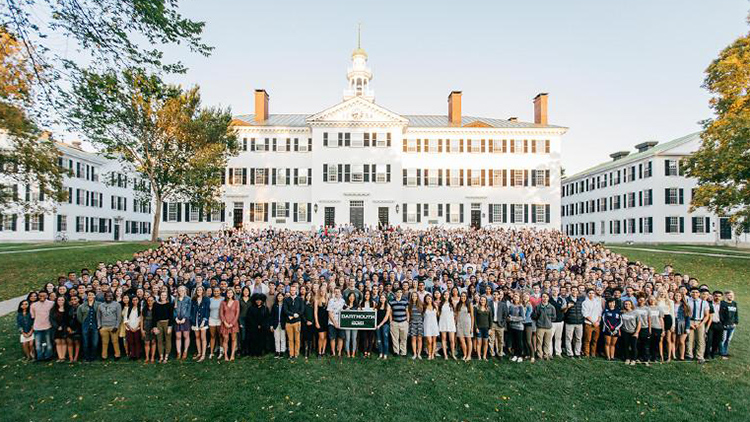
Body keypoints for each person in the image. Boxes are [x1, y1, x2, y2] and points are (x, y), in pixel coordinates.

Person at [685, 287, 709, 363]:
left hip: (700, 321)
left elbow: (706, 315)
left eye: (696, 292)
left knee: (700, 339)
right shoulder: (687, 301)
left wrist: (701, 323)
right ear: (690, 293)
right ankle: (689, 355)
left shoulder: (704, 302)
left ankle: (699, 356)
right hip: (690, 321)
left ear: (699, 294)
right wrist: (689, 323)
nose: (695, 294)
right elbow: (685, 313)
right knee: (689, 339)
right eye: (693, 292)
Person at [97, 291, 122, 361]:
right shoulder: (100, 305)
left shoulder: (117, 305)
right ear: (104, 297)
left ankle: (117, 355)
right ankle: (104, 356)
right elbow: (98, 317)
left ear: (113, 297)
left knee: (115, 341)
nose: (108, 297)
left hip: (113, 326)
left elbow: (119, 317)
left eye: (110, 296)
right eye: (107, 296)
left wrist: (116, 326)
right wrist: (99, 326)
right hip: (104, 327)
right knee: (104, 342)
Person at [30, 290, 54, 361]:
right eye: (40, 296)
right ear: (38, 296)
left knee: (48, 343)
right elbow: (33, 317)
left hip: (48, 326)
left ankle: (48, 356)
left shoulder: (52, 303)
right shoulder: (33, 305)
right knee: (38, 344)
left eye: (44, 295)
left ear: (47, 296)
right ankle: (40, 357)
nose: (42, 297)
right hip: (37, 327)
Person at [283, 284, 305, 360]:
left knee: (297, 339)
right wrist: (292, 314)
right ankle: (291, 354)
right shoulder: (286, 299)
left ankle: (296, 354)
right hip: (288, 322)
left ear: (296, 291)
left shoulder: (300, 299)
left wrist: (296, 314)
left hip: (297, 322)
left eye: (294, 290)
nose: (292, 291)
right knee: (290, 339)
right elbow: (285, 310)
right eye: (291, 290)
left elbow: (302, 310)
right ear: (289, 291)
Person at [76, 290, 99, 362]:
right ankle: (86, 357)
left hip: (95, 325)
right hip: (85, 325)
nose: (90, 296)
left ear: (94, 296)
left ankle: (93, 356)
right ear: (87, 296)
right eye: (89, 295)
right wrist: (83, 322)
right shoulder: (82, 306)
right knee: (85, 342)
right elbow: (79, 317)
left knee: (94, 342)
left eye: (92, 295)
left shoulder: (99, 304)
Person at [531, 293, 555, 361]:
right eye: (543, 297)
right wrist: (537, 316)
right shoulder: (538, 306)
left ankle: (546, 354)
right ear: (541, 298)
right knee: (539, 342)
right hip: (540, 327)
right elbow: (534, 316)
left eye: (546, 297)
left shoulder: (551, 307)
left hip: (548, 327)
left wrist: (548, 321)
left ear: (548, 298)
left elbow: (554, 317)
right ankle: (539, 355)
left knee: (547, 342)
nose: (545, 298)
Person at [190, 285, 210, 361]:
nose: (199, 291)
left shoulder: (206, 299)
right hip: (195, 320)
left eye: (200, 290)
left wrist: (204, 321)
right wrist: (192, 319)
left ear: (203, 291)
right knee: (197, 337)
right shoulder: (194, 299)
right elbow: (191, 310)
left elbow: (207, 311)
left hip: (203, 320)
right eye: (198, 290)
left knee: (203, 338)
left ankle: (203, 354)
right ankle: (199, 353)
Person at [152, 290, 173, 363]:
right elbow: (154, 316)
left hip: (167, 323)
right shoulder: (155, 304)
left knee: (168, 340)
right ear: (159, 296)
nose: (163, 297)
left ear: (166, 296)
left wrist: (170, 326)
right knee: (159, 340)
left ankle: (166, 356)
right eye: (162, 295)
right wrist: (154, 327)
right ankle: (161, 356)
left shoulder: (169, 304)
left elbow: (171, 316)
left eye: (165, 295)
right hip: (158, 323)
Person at [581, 289, 602, 358]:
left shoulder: (597, 302)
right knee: (587, 339)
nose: (591, 294)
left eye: (593, 293)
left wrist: (598, 322)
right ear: (587, 294)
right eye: (590, 293)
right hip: (588, 323)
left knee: (595, 340)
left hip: (597, 324)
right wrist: (593, 322)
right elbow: (585, 314)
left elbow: (600, 313)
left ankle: (593, 353)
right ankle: (586, 353)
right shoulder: (585, 302)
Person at [219, 288, 239, 361]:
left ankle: (232, 355)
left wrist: (232, 324)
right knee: (225, 339)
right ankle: (226, 355)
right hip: (225, 323)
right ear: (226, 294)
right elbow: (221, 314)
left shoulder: (236, 302)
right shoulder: (223, 302)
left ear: (233, 294)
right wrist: (225, 323)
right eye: (228, 293)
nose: (229, 294)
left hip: (233, 324)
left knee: (233, 339)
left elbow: (237, 314)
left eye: (231, 293)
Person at [563, 288, 584, 358]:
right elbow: (563, 311)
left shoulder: (581, 299)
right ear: (570, 291)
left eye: (576, 290)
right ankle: (569, 353)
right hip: (570, 322)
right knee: (569, 338)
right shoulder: (566, 299)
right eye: (573, 290)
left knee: (578, 338)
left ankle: (577, 353)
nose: (574, 292)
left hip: (579, 322)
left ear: (578, 292)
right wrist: (567, 307)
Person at [173, 285, 192, 360]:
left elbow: (189, 309)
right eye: (179, 290)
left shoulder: (188, 299)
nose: (181, 291)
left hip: (185, 319)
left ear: (185, 291)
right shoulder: (175, 299)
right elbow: (174, 310)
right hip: (177, 319)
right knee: (178, 336)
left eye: (182, 290)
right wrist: (176, 318)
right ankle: (178, 352)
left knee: (185, 336)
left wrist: (185, 318)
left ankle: (185, 351)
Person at [389, 289, 409, 357]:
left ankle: (403, 352)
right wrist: (391, 321)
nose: (399, 293)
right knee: (395, 338)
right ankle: (396, 352)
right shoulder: (391, 301)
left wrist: (407, 321)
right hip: (394, 322)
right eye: (398, 292)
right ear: (395, 293)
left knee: (403, 338)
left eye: (400, 292)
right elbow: (390, 312)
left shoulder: (405, 301)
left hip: (403, 322)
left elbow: (407, 311)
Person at [327, 287, 346, 359]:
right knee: (332, 338)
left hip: (341, 323)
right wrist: (334, 323)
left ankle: (339, 353)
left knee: (341, 338)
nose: (337, 293)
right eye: (336, 292)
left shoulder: (343, 301)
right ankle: (333, 353)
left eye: (338, 291)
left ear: (340, 292)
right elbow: (330, 312)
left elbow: (345, 311)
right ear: (334, 293)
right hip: (332, 322)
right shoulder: (331, 301)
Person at [620, 300, 640, 365]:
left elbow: (639, 323)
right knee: (625, 346)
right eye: (625, 304)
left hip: (633, 331)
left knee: (634, 346)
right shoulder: (622, 312)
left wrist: (637, 332)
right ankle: (627, 358)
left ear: (631, 305)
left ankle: (633, 359)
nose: (627, 305)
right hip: (625, 331)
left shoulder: (635, 312)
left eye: (628, 304)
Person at [719, 290, 738, 359]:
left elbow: (736, 314)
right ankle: (722, 352)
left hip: (732, 325)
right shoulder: (722, 303)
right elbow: (720, 314)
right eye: (729, 295)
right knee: (723, 339)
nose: (731, 297)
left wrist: (736, 322)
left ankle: (725, 351)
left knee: (728, 339)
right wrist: (723, 323)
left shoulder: (734, 303)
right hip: (724, 324)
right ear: (725, 296)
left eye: (732, 295)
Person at [455, 291, 474, 361]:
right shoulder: (458, 305)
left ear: (466, 297)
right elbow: (456, 315)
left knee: (468, 340)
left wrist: (472, 327)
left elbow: (472, 316)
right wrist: (456, 324)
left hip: (467, 324)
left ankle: (469, 356)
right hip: (459, 324)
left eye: (464, 296)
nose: (463, 297)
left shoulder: (470, 305)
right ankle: (465, 354)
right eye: (462, 296)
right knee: (462, 340)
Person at [439, 290, 457, 360]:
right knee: (444, 339)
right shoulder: (441, 304)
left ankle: (452, 354)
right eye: (445, 294)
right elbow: (439, 314)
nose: (446, 296)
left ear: (449, 295)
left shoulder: (452, 304)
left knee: (452, 340)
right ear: (443, 296)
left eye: (447, 294)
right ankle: (445, 355)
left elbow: (455, 314)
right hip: (443, 322)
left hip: (451, 323)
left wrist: (455, 321)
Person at [490, 290, 508, 359]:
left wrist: (503, 323)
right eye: (494, 294)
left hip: (500, 324)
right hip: (492, 324)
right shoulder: (489, 303)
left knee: (501, 340)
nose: (495, 296)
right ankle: (492, 354)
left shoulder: (503, 304)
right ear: (492, 295)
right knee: (491, 340)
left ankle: (500, 354)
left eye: (497, 295)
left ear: (499, 296)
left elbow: (505, 315)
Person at [672, 291, 690, 361]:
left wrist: (687, 327)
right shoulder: (671, 304)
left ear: (682, 297)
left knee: (681, 341)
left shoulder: (685, 306)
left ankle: (682, 356)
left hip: (682, 323)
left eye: (679, 296)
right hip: (674, 322)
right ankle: (674, 354)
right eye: (676, 296)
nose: (678, 297)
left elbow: (687, 317)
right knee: (675, 340)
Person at [508, 292, 526, 362]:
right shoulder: (511, 306)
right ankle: (515, 355)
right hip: (512, 326)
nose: (515, 298)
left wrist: (512, 318)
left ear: (519, 299)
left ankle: (520, 356)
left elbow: (522, 318)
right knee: (514, 341)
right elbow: (508, 314)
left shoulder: (520, 306)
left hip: (519, 327)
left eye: (517, 297)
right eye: (514, 297)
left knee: (519, 342)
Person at [50, 296, 68, 362]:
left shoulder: (67, 309)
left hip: (64, 328)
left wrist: (62, 326)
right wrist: (57, 326)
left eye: (62, 300)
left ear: (65, 301)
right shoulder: (53, 309)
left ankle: (63, 357)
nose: (60, 301)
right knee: (58, 342)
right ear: (56, 301)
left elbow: (67, 319)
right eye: (59, 300)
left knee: (63, 342)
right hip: (56, 328)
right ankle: (60, 357)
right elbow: (51, 319)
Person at [647, 296, 665, 362]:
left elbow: (661, 319)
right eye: (650, 299)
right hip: (649, 327)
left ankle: (655, 357)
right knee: (649, 343)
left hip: (657, 327)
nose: (652, 301)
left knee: (656, 343)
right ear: (648, 300)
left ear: (655, 300)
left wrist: (663, 330)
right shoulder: (647, 308)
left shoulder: (659, 308)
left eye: (653, 299)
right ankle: (648, 357)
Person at [473, 295, 492, 361]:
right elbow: (474, 319)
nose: (482, 301)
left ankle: (484, 356)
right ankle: (479, 356)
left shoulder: (488, 308)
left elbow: (490, 319)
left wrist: (490, 328)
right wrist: (476, 328)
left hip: (486, 328)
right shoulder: (476, 308)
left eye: (484, 300)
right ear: (479, 300)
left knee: (485, 343)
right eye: (481, 300)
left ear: (486, 301)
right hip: (479, 328)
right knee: (479, 343)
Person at [124, 296, 142, 360]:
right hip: (129, 328)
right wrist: (130, 327)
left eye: (136, 300)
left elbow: (141, 320)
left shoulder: (140, 309)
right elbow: (125, 320)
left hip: (137, 328)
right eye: (133, 300)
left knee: (137, 341)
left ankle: (138, 355)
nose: (135, 301)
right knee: (131, 342)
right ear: (131, 301)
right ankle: (132, 355)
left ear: (138, 301)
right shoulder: (128, 309)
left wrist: (137, 327)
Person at [407, 291, 424, 360]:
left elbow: (423, 314)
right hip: (412, 323)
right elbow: (409, 314)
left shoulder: (421, 305)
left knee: (419, 339)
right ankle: (414, 353)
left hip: (420, 323)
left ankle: (419, 353)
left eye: (415, 296)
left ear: (417, 297)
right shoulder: (409, 305)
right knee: (413, 338)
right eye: (413, 296)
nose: (414, 297)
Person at [208, 287, 224, 359]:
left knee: (220, 336)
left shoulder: (223, 299)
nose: (216, 292)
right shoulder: (210, 299)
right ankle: (211, 352)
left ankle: (221, 351)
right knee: (212, 336)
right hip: (212, 319)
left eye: (217, 291)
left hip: (220, 319)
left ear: (220, 291)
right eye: (215, 291)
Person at [141, 295, 157, 363]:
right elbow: (141, 320)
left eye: (151, 300)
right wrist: (142, 329)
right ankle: (147, 357)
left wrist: (155, 327)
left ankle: (152, 357)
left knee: (153, 342)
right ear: (147, 301)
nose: (150, 302)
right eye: (148, 300)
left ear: (154, 301)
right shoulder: (144, 309)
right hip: (146, 326)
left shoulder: (156, 308)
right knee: (146, 342)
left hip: (153, 326)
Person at [270, 292, 286, 358]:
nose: (279, 298)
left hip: (283, 324)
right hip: (276, 324)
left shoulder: (285, 305)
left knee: (282, 338)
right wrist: (271, 325)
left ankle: (282, 351)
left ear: (283, 297)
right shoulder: (274, 305)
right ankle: (277, 351)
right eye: (278, 296)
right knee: (276, 338)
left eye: (281, 296)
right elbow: (272, 316)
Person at [375, 293, 392, 359]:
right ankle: (380, 353)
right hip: (377, 325)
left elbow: (386, 318)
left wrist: (380, 325)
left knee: (385, 339)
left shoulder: (388, 306)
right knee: (379, 340)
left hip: (385, 325)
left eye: (383, 298)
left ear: (385, 299)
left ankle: (385, 354)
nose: (382, 299)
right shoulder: (377, 306)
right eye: (381, 298)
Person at [343, 292, 359, 358]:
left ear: (354, 298)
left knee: (354, 338)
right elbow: (342, 314)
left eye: (353, 296)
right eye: (350, 296)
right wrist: (345, 309)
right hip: (347, 324)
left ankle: (353, 353)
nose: (351, 297)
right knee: (347, 338)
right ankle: (348, 353)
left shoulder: (357, 306)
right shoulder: (345, 305)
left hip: (355, 324)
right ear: (348, 297)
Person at [314, 289, 329, 357]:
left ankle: (323, 351)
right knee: (321, 337)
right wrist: (316, 322)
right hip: (320, 320)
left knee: (325, 337)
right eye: (321, 291)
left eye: (323, 291)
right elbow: (315, 312)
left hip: (326, 321)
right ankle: (319, 352)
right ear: (319, 292)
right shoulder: (317, 300)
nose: (322, 292)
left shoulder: (327, 300)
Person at [66, 295, 81, 362]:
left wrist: (76, 330)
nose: (73, 300)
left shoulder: (81, 307)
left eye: (75, 299)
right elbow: (65, 318)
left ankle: (76, 357)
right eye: (72, 299)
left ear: (78, 299)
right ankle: (71, 357)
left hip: (78, 327)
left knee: (77, 342)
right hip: (69, 327)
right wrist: (68, 327)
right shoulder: (68, 308)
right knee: (69, 342)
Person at [302, 291, 316, 359]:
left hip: (312, 323)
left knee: (310, 337)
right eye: (307, 295)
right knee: (305, 337)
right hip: (305, 323)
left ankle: (309, 351)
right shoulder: (303, 304)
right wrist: (306, 321)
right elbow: (302, 313)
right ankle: (305, 350)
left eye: (310, 295)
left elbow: (315, 314)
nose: (308, 296)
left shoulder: (313, 304)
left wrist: (312, 321)